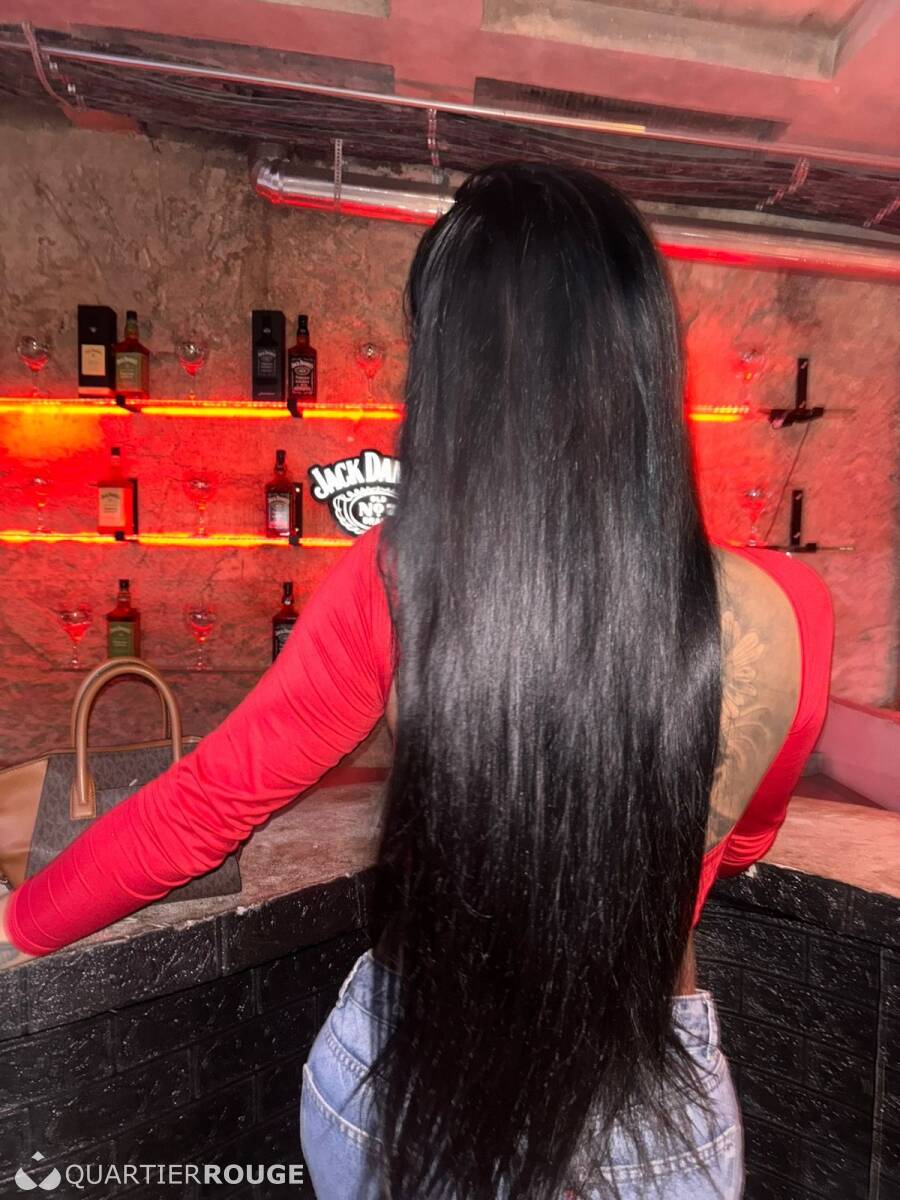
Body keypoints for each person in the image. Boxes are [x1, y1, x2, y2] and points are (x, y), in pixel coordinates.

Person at [0, 162, 834, 1200]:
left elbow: (210, 801)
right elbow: (737, 843)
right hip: (645, 1110)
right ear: (644, 357)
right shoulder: (790, 613)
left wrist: (19, 923)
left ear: (452, 372)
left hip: (401, 1084)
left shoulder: (392, 581)